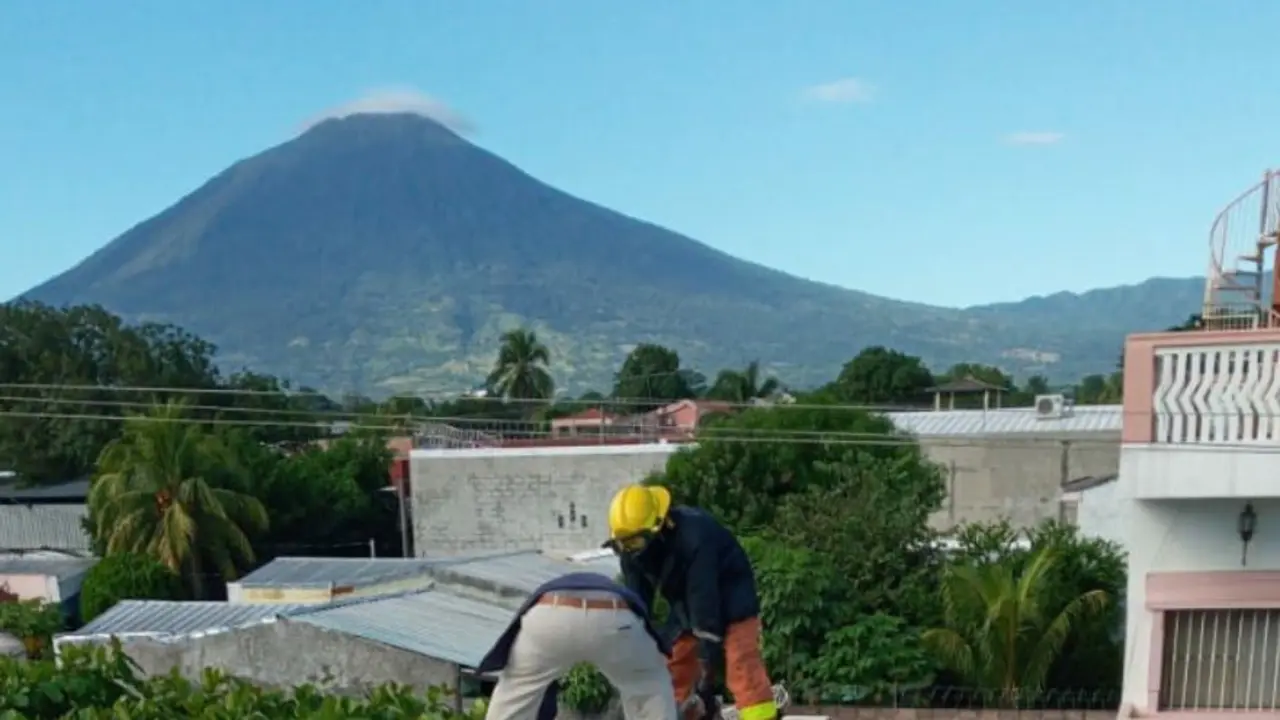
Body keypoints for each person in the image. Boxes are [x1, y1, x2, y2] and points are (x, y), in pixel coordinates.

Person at [606, 484, 777, 720]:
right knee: (670, 670)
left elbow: (704, 598)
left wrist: (707, 665)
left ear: (660, 526)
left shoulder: (696, 536)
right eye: (623, 544)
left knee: (742, 668)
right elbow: (637, 607)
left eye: (635, 542)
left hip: (732, 597)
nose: (630, 550)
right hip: (686, 603)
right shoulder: (631, 551)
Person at [477, 570, 679, 720]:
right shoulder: (624, 590)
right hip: (615, 617)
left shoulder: (548, 588)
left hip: (549, 616)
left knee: (517, 689)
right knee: (649, 686)